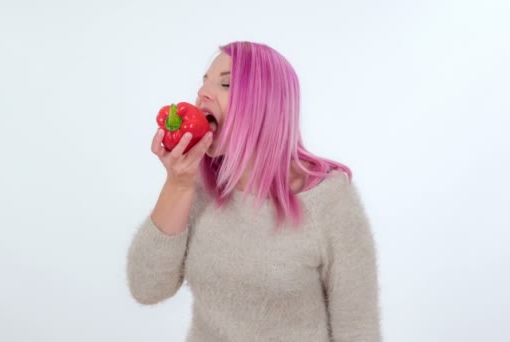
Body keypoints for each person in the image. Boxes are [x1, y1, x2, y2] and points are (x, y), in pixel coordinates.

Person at [126, 41, 381, 342]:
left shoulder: (330, 201)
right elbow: (146, 287)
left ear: (265, 104)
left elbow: (358, 330)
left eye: (225, 83)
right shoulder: (198, 186)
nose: (202, 93)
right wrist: (177, 184)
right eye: (204, 82)